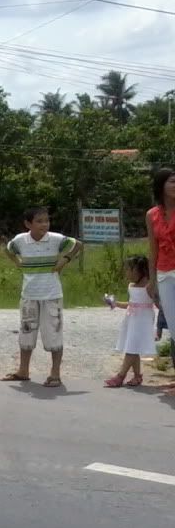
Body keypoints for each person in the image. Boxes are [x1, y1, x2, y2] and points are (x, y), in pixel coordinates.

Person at [1, 207, 80, 387]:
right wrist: (17, 262)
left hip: (51, 294)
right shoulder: (21, 241)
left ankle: (55, 374)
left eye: (46, 220)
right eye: (39, 221)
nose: (44, 225)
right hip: (29, 294)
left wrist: (64, 260)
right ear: (28, 224)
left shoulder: (55, 239)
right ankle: (23, 371)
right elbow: (8, 249)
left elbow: (77, 245)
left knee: (53, 333)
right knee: (27, 332)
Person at [145, 168, 175, 395]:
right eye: (172, 182)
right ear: (162, 185)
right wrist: (151, 279)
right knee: (173, 327)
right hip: (164, 271)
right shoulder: (152, 214)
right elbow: (152, 248)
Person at [104, 255, 155, 388]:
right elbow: (131, 304)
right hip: (131, 319)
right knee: (133, 347)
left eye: (131, 270)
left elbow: (158, 302)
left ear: (142, 271)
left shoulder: (150, 286)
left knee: (131, 348)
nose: (128, 273)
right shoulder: (131, 286)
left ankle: (120, 376)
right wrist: (115, 303)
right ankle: (137, 376)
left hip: (143, 321)